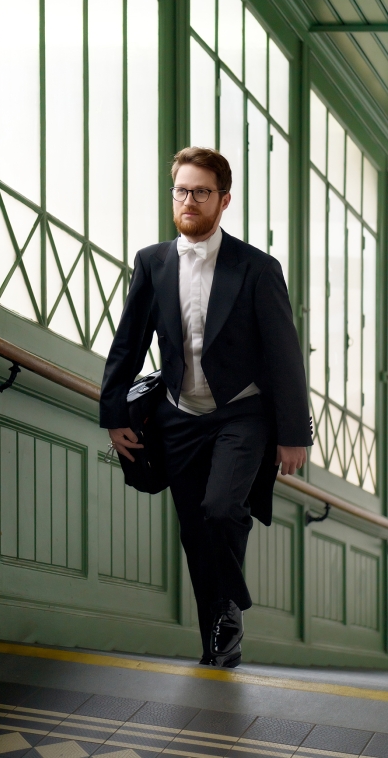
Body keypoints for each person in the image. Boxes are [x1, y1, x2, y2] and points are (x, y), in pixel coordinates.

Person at [99, 147, 312, 668]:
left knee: (221, 508)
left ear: (223, 200)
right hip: (179, 414)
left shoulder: (258, 268)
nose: (189, 201)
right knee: (197, 530)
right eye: (181, 190)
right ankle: (215, 642)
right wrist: (112, 416)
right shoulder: (152, 262)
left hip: (242, 413)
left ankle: (231, 609)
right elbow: (128, 343)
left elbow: (284, 353)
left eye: (201, 192)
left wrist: (294, 432)